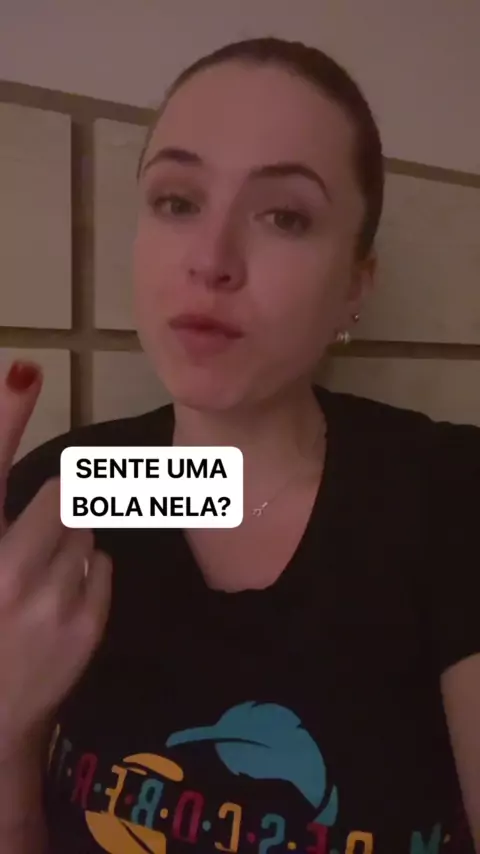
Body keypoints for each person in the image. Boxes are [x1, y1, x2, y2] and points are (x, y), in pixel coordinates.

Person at [0, 36, 479, 854]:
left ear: (355, 286)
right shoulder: (69, 495)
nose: (211, 260)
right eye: (176, 201)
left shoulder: (448, 494)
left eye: (284, 216)